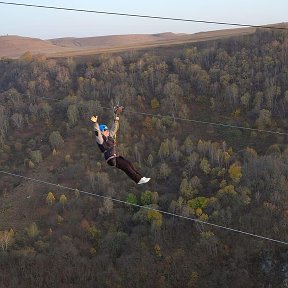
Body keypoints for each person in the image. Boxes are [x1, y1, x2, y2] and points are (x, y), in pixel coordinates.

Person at [90, 106, 150, 185]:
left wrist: (116, 114)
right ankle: (138, 180)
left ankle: (140, 178)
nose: (107, 131)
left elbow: (115, 127)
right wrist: (95, 123)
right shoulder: (101, 140)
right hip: (111, 158)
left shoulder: (110, 137)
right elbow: (97, 133)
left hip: (116, 156)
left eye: (107, 130)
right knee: (126, 166)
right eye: (105, 130)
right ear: (102, 132)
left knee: (129, 164)